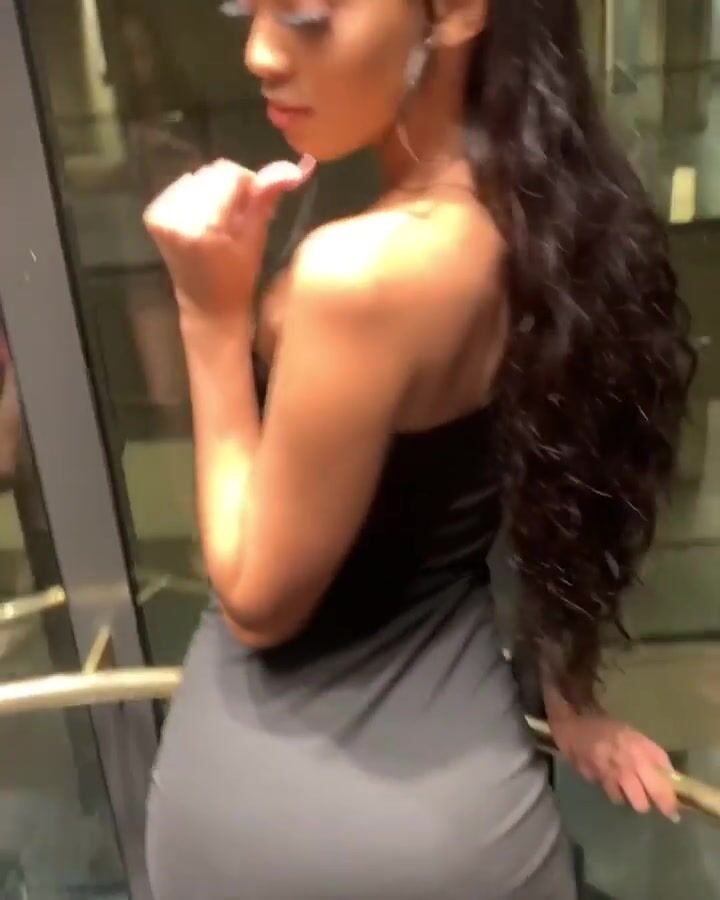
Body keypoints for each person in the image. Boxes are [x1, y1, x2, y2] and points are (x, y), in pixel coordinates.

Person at [144, 1, 695, 897]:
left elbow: (256, 599)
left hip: (287, 819)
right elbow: (554, 479)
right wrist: (571, 699)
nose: (258, 52)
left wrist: (209, 316)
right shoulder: (535, 220)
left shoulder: (361, 271)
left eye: (306, 13)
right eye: (249, 6)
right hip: (466, 808)